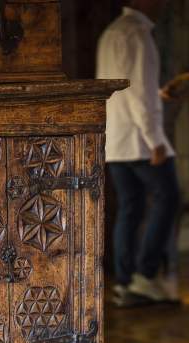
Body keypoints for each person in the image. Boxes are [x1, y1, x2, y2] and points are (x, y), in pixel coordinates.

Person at [96, 0, 180, 306]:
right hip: (140, 141)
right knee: (169, 198)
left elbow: (125, 88)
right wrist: (155, 139)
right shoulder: (138, 34)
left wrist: (159, 94)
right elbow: (136, 93)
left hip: (117, 139)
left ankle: (126, 282)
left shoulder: (111, 32)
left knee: (130, 209)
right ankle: (145, 276)